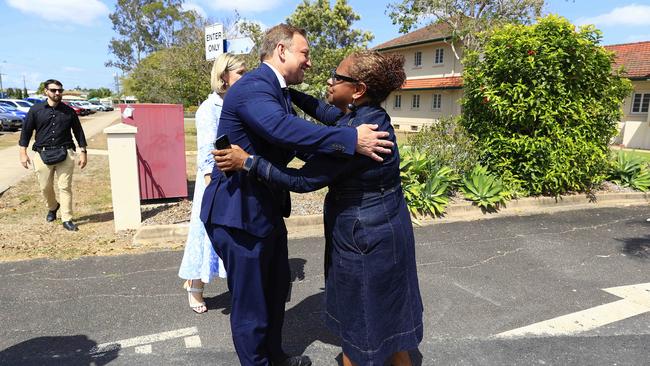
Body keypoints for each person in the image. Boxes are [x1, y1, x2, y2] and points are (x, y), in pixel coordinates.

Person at [200, 24, 393, 366]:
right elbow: (283, 129)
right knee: (251, 307)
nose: (310, 62)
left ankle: (276, 358)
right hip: (238, 212)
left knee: (275, 295)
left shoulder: (278, 90)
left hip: (266, 209)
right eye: (305, 53)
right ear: (281, 51)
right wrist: (351, 141)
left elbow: (296, 134)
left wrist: (330, 153)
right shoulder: (253, 88)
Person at [177, 53, 246, 314]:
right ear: (223, 77)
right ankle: (195, 288)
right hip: (215, 184)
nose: (245, 77)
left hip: (235, 179)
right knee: (205, 237)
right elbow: (207, 152)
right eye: (240, 72)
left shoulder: (238, 104)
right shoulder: (209, 109)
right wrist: (213, 186)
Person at [19, 79, 88, 232]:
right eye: (53, 90)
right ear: (46, 91)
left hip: (66, 153)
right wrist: (23, 153)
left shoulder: (69, 111)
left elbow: (78, 132)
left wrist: (83, 152)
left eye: (60, 90)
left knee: (65, 187)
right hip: (42, 153)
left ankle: (67, 218)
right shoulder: (35, 110)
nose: (57, 93)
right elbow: (26, 132)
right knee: (45, 187)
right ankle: (52, 206)